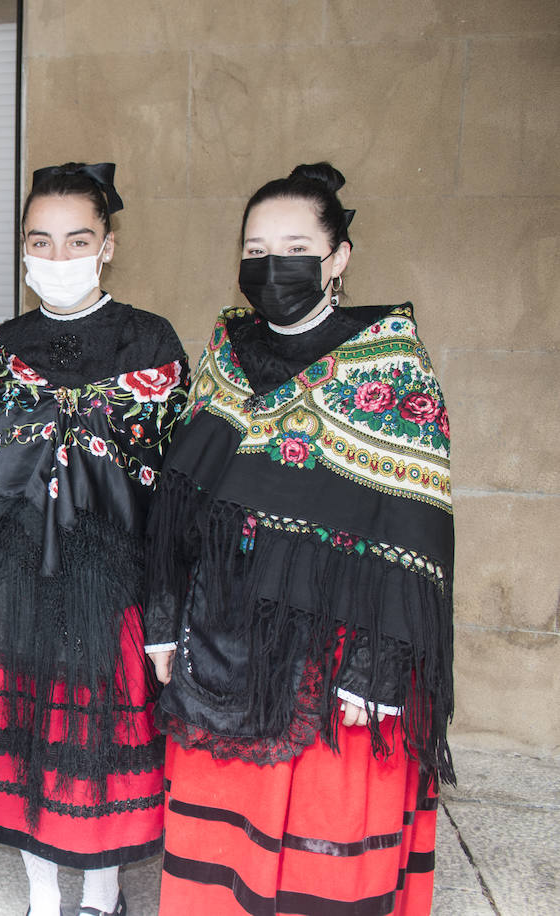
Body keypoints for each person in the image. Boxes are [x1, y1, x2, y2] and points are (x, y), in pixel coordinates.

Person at [145, 163, 454, 915]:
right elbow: (178, 509)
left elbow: (410, 532)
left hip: (332, 653)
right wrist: (163, 624)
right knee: (222, 846)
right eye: (255, 249)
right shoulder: (224, 356)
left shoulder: (389, 367)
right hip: (220, 634)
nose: (270, 266)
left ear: (338, 257)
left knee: (318, 844)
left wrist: (376, 675)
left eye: (292, 246)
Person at [0, 163, 185, 916]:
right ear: (22, 249)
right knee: (21, 743)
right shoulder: (2, 348)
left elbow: (177, 482)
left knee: (95, 742)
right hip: (8, 574)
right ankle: (43, 895)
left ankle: (99, 896)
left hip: (112, 581)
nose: (59, 255)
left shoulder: (151, 341)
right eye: (41, 240)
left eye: (78, 239)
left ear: (107, 245)